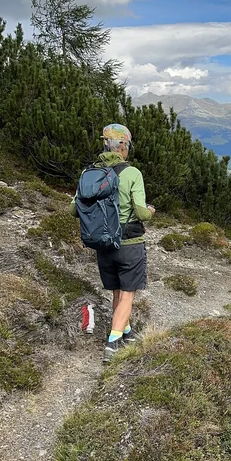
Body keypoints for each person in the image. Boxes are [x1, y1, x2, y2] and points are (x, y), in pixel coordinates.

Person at [92, 123, 154, 359]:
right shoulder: (132, 173)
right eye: (126, 145)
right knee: (128, 293)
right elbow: (140, 211)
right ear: (122, 146)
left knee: (117, 290)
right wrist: (150, 211)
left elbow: (73, 209)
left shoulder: (91, 172)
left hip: (103, 244)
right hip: (129, 243)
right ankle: (112, 343)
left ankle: (126, 331)